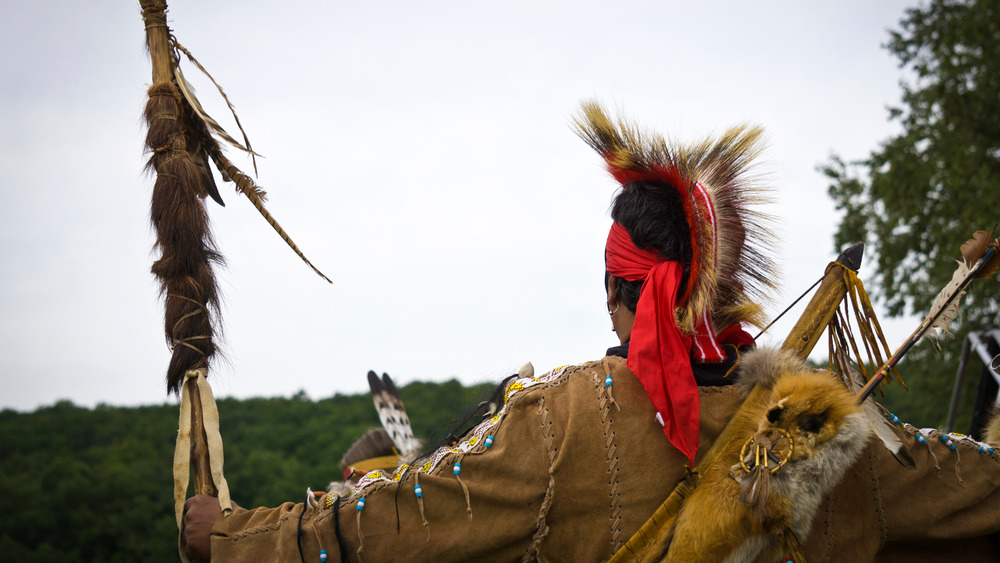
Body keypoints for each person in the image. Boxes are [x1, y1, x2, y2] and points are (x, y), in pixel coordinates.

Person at [182, 103, 1000, 562]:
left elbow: (398, 517)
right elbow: (979, 483)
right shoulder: (845, 433)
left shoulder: (563, 420)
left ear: (623, 292)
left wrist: (237, 534)